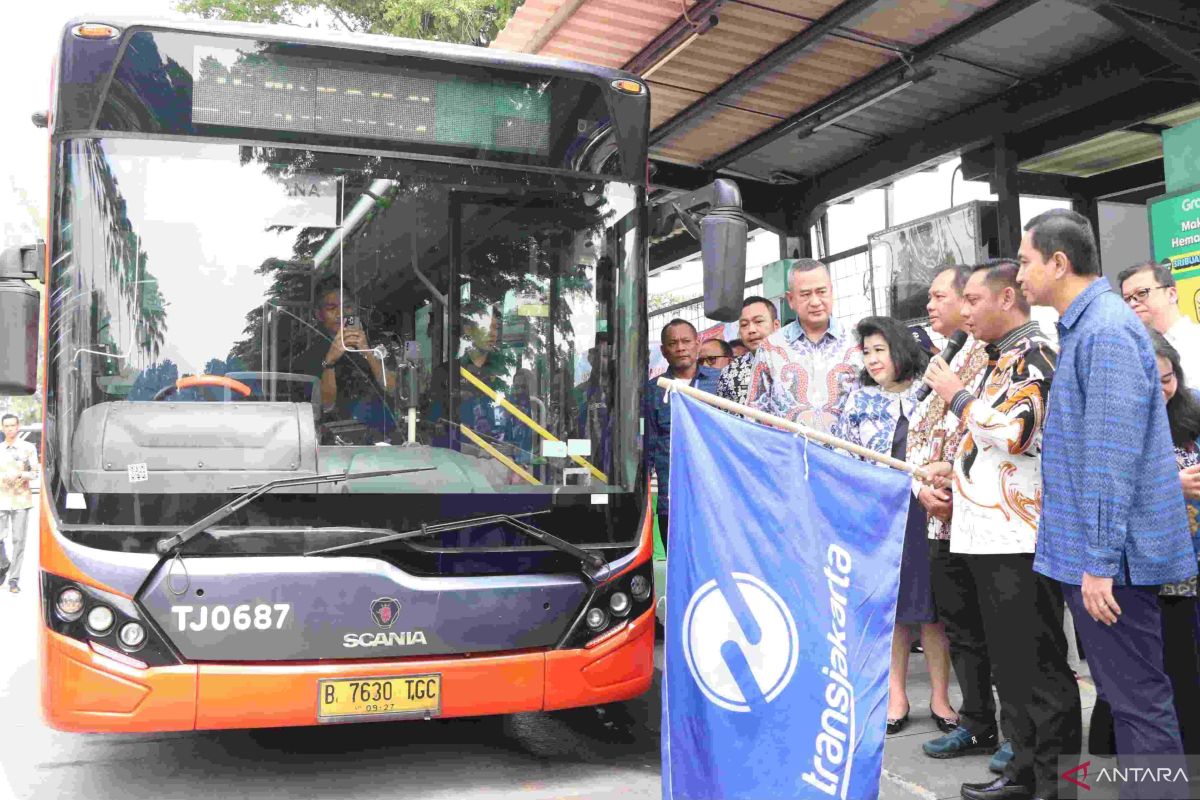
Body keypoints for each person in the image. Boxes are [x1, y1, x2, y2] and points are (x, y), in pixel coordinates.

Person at [1017, 209, 1195, 800]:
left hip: (1112, 567)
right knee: (1128, 701)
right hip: (1101, 561)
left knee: (1140, 704)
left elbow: (1109, 460)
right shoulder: (1088, 328)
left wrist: (1097, 563)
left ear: (1058, 263)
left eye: (1024, 261)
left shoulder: (1106, 332)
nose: (1019, 275)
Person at [922, 259, 1080, 800]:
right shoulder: (995, 358)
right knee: (1010, 665)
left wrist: (956, 396)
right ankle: (1022, 770)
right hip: (985, 535)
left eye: (971, 299)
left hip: (1020, 538)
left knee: (1038, 665)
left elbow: (1018, 433)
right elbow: (987, 440)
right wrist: (953, 464)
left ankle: (1055, 783)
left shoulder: (1035, 354)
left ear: (1007, 297)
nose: (964, 311)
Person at [907, 265, 1017, 766]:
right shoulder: (942, 358)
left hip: (991, 520)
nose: (933, 307)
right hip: (938, 520)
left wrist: (957, 477)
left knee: (1005, 631)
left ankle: (1021, 734)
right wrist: (919, 485)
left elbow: (1009, 435)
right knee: (963, 631)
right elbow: (915, 434)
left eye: (942, 297)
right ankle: (976, 723)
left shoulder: (1002, 355)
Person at [831, 317, 955, 737]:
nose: (872, 358)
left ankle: (941, 697)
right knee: (896, 611)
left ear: (900, 348)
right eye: (867, 351)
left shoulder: (933, 396)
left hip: (934, 516)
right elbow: (845, 460)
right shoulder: (859, 401)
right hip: (884, 518)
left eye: (879, 349)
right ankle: (896, 696)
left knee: (935, 610)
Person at [1090, 332, 1200, 757]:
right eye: (1150, 381)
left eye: (1168, 378)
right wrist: (1173, 485)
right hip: (1145, 567)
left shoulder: (1190, 408)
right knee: (1162, 673)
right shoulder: (1114, 424)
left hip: (1191, 562)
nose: (1162, 389)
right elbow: (1106, 490)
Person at [747, 260, 863, 432]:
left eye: (821, 292)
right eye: (806, 294)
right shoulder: (770, 348)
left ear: (831, 292)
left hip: (845, 457)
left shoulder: (859, 342)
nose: (815, 302)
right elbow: (754, 415)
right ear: (791, 299)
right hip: (788, 456)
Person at [644, 319, 721, 546]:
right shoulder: (653, 390)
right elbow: (648, 449)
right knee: (675, 570)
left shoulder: (719, 382)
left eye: (686, 341)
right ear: (663, 351)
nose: (681, 347)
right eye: (673, 343)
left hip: (716, 499)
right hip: (673, 501)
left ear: (698, 343)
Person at [294, 280, 395, 439]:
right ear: (318, 314)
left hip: (384, 438)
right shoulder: (309, 357)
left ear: (356, 308)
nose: (341, 313)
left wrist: (368, 352)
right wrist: (329, 361)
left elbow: (394, 389)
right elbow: (325, 406)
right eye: (332, 308)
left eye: (347, 306)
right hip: (336, 442)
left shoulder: (379, 342)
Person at [1118, 261, 1200, 386]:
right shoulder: (1131, 353)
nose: (1132, 304)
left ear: (1171, 294)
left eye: (1141, 293)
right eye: (1127, 299)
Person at [716, 296, 780, 406]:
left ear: (776, 325)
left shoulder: (798, 359)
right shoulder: (730, 373)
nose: (751, 330)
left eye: (758, 321)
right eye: (744, 325)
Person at [0, 413, 37, 594]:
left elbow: (34, 472)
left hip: (21, 500)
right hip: (1, 499)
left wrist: (22, 475)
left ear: (18, 426)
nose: (10, 429)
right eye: (6, 426)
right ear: (2, 428)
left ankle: (14, 580)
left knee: (19, 541)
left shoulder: (28, 448)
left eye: (13, 425)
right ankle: (3, 563)